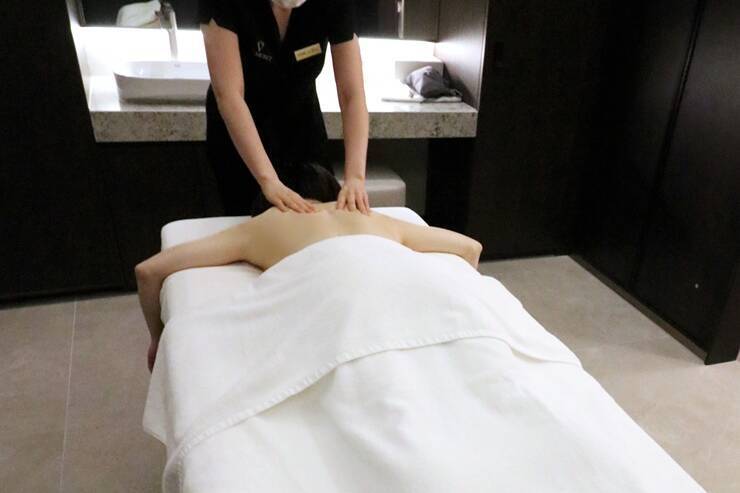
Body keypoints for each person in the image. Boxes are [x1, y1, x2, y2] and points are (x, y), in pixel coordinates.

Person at [135, 163, 483, 372]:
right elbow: (470, 248)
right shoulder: (372, 218)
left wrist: (157, 339)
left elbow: (148, 271)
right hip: (411, 300)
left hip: (340, 317)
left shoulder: (263, 224)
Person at [199, 0, 370, 215]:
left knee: (314, 218)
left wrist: (355, 177)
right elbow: (230, 96)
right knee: (248, 224)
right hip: (241, 135)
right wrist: (268, 180)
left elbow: (351, 94)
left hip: (302, 129)